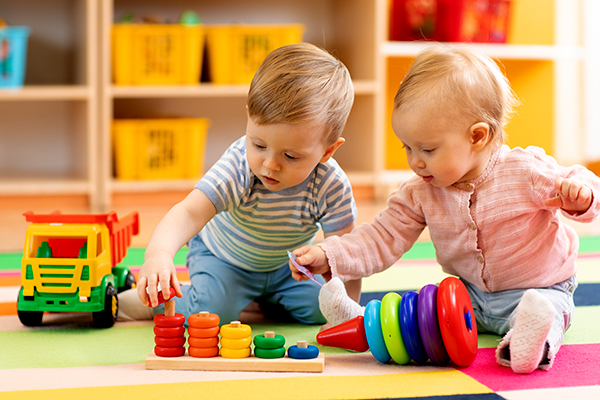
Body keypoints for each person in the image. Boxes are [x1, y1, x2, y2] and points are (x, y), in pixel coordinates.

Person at [290, 44, 600, 374]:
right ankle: (361, 323)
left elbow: (582, 184)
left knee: (549, 311)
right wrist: (330, 255)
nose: (414, 160)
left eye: (427, 148)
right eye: (407, 147)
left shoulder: (526, 170)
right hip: (469, 298)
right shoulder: (420, 191)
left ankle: (525, 344)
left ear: (477, 137)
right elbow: (381, 237)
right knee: (421, 317)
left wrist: (580, 195)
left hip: (539, 288)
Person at [118, 42, 361, 325]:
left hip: (287, 268)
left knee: (324, 308)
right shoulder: (238, 167)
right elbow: (188, 213)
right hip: (224, 259)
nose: (270, 164)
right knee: (209, 315)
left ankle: (263, 301)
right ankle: (154, 301)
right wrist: (158, 255)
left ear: (328, 151)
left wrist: (348, 310)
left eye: (291, 155)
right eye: (258, 144)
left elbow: (345, 254)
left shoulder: (331, 184)